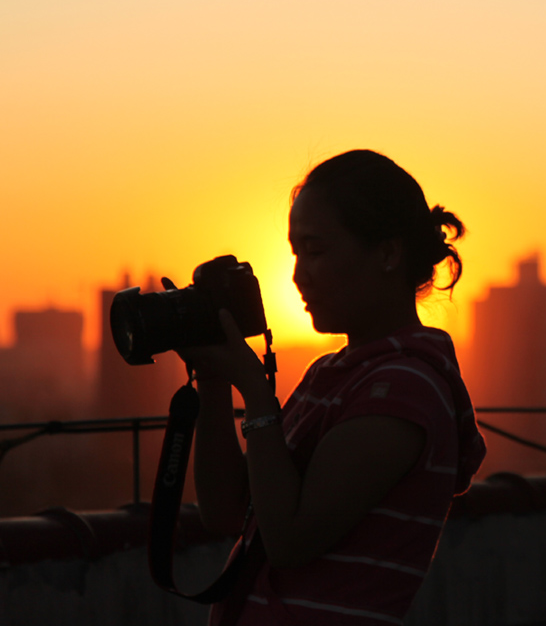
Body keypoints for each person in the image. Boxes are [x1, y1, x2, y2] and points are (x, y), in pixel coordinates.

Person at [183, 149, 486, 626]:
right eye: (295, 253)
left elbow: (288, 540)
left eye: (316, 251)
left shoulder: (404, 389)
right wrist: (215, 382)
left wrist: (257, 393)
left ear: (388, 253)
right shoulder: (333, 374)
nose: (298, 276)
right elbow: (226, 513)